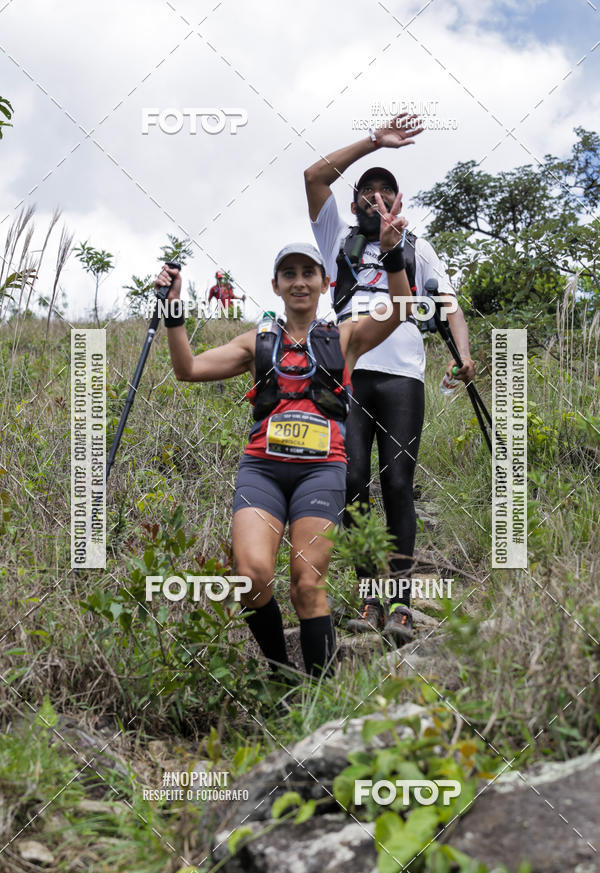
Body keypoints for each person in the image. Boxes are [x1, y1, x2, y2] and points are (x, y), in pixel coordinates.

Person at [155, 198, 412, 679]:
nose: (299, 281)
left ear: (324, 282)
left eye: (308, 273)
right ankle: (281, 676)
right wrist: (173, 308)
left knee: (306, 583)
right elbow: (187, 368)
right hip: (263, 471)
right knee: (250, 577)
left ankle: (319, 694)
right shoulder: (258, 341)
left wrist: (393, 253)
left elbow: (399, 309)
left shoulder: (345, 337)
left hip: (322, 471)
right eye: (288, 273)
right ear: (275, 284)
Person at [304, 115, 476, 644]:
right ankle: (369, 593)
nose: (376, 198)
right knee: (352, 479)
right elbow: (313, 176)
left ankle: (400, 603)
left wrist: (465, 355)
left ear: (400, 200)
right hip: (348, 371)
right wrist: (374, 142)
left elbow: (448, 304)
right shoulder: (337, 237)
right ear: (356, 198)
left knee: (398, 483)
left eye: (386, 191)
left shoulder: (416, 246)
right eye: (367, 190)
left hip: (403, 374)